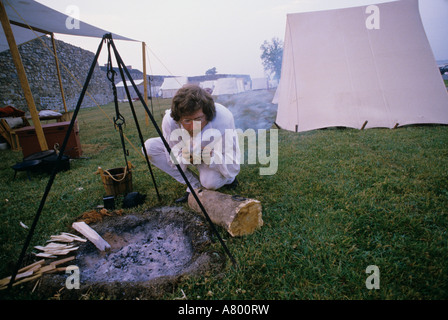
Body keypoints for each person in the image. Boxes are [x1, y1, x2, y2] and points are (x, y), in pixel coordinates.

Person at [143, 84, 240, 203]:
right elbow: (172, 159)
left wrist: (211, 156)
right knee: (149, 147)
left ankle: (229, 180)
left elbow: (232, 161)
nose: (194, 126)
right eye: (187, 120)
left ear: (208, 114)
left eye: (198, 119)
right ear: (178, 118)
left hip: (214, 153)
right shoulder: (170, 121)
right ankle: (194, 185)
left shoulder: (223, 118)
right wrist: (184, 157)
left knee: (210, 182)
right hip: (186, 147)